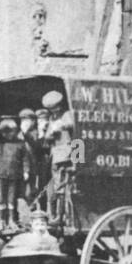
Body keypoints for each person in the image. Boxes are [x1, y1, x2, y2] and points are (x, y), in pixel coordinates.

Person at [43, 90, 76, 225]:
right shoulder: (52, 119)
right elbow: (47, 137)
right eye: (51, 110)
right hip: (55, 156)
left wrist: (77, 161)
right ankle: (56, 215)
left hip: (66, 156)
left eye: (55, 109)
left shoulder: (67, 115)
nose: (54, 112)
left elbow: (75, 132)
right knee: (55, 187)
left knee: (62, 187)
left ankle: (61, 217)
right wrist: (51, 132)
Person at [0, 119, 28, 228]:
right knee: (0, 198)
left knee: (11, 198)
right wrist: (5, 126)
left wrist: (26, 171)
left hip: (14, 175)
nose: (9, 134)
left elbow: (25, 159)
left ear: (16, 132)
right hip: (0, 174)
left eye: (12, 131)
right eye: (6, 132)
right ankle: (1, 221)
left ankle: (11, 220)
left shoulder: (20, 144)